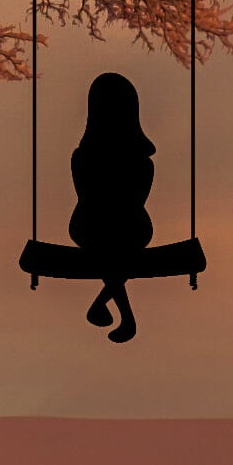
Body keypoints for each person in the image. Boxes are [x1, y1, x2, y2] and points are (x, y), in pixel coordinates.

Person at [68, 72, 156, 343]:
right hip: (129, 229)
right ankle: (114, 312)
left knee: (111, 245)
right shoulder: (142, 163)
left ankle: (110, 311)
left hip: (89, 226)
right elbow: (136, 200)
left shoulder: (82, 157)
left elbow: (85, 192)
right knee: (120, 246)